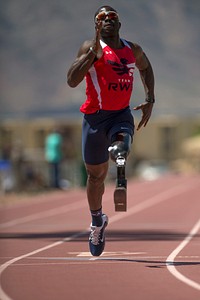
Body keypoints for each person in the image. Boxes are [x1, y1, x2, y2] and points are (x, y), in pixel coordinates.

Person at [67, 5, 155, 256]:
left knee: (121, 145)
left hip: (120, 115)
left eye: (112, 17)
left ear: (119, 23)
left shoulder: (132, 49)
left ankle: (120, 156)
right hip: (94, 119)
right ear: (96, 25)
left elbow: (146, 68)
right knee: (95, 177)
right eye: (101, 18)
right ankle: (98, 221)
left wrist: (150, 99)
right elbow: (72, 80)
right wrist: (90, 57)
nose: (107, 20)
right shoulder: (90, 48)